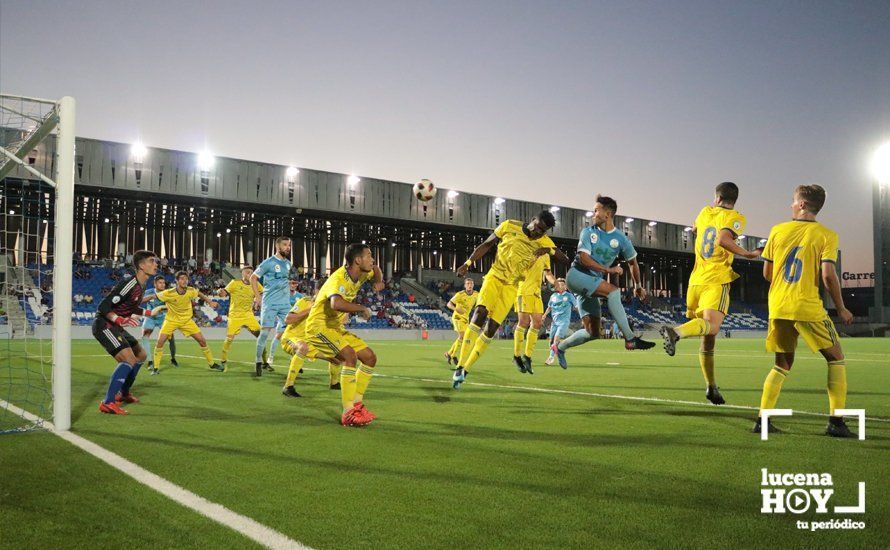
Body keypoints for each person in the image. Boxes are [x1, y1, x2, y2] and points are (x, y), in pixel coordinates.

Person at [753, 185, 855, 437]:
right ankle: (836, 423)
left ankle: (762, 422)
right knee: (836, 358)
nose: (790, 204)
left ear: (802, 205)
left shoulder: (777, 230)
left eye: (793, 201)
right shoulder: (826, 235)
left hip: (778, 306)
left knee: (782, 364)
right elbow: (828, 275)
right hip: (807, 305)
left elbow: (767, 274)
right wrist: (840, 307)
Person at [659, 182, 762, 404]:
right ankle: (676, 332)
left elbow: (696, 229)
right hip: (716, 279)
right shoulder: (736, 217)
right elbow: (723, 239)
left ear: (717, 198)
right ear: (734, 200)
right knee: (713, 327)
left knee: (708, 337)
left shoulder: (705, 211)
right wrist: (748, 254)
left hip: (696, 280)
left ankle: (711, 386)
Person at [452, 211, 565, 390]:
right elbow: (487, 244)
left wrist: (548, 249)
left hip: (512, 287)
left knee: (491, 329)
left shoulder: (543, 240)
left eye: (543, 231)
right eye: (538, 227)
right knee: (480, 313)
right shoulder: (509, 225)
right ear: (533, 220)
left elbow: (563, 258)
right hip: (494, 277)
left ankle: (466, 369)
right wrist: (467, 263)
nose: (538, 233)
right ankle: (459, 366)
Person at [551, 196, 654, 369]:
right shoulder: (588, 232)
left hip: (590, 283)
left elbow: (633, 263)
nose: (593, 214)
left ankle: (560, 347)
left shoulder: (621, 239)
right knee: (613, 291)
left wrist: (637, 286)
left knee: (593, 332)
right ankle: (630, 339)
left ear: (607, 214)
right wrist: (609, 270)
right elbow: (584, 259)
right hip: (576, 276)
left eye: (596, 210)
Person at [302, 243, 384, 426]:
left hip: (335, 327)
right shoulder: (338, 278)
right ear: (357, 260)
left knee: (370, 357)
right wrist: (361, 308)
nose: (372, 259)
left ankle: (357, 404)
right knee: (349, 356)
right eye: (369, 255)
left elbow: (377, 269)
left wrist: (378, 281)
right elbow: (336, 304)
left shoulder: (363, 272)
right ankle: (348, 412)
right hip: (318, 327)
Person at [93, 250, 163, 415]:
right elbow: (103, 307)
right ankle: (108, 402)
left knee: (141, 355)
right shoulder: (129, 283)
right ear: (141, 265)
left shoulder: (142, 284)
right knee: (129, 359)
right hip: (104, 324)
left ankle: (123, 393)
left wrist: (150, 313)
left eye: (155, 261)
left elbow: (132, 307)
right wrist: (119, 319)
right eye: (151, 261)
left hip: (115, 326)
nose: (156, 264)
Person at [151, 271, 222, 373]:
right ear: (177, 281)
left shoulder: (190, 290)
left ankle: (212, 364)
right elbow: (152, 297)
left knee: (202, 340)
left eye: (186, 278)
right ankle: (156, 368)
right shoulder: (169, 293)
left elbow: (199, 293)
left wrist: (210, 301)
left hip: (186, 321)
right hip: (171, 320)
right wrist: (136, 302)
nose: (185, 281)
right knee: (160, 342)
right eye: (182, 278)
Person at [251, 236, 292, 377]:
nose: (288, 247)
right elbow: (253, 278)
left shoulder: (288, 264)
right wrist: (258, 297)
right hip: (269, 303)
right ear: (278, 246)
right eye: (285, 245)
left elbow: (284, 281)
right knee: (264, 334)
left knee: (293, 330)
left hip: (285, 304)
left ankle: (296, 360)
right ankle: (257, 361)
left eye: (289, 245)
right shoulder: (269, 262)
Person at [512, 252, 557, 374]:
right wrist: (533, 257)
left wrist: (555, 282)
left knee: (537, 323)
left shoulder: (545, 255)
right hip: (524, 291)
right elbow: (518, 269)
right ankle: (516, 356)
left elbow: (548, 273)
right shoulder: (524, 249)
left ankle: (527, 356)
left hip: (536, 293)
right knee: (523, 322)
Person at [218, 266, 265, 371]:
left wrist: (257, 302)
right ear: (243, 274)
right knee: (229, 339)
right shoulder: (234, 283)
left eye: (251, 273)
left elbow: (262, 295)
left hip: (248, 315)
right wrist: (219, 292)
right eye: (247, 272)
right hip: (234, 316)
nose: (250, 274)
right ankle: (223, 361)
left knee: (261, 336)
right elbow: (223, 294)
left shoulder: (256, 284)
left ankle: (264, 362)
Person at [141, 276, 177, 373]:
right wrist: (151, 297)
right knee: (145, 336)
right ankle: (149, 361)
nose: (163, 285)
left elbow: (173, 306)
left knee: (171, 338)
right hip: (150, 317)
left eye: (163, 283)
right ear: (155, 284)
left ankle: (173, 358)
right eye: (160, 283)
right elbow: (139, 301)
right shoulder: (149, 292)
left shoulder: (168, 293)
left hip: (163, 317)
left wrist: (161, 307)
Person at [269, 279, 303, 368]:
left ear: (297, 284)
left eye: (295, 283)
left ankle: (293, 358)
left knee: (295, 340)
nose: (293, 285)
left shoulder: (300, 296)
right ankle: (271, 356)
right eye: (291, 283)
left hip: (295, 322)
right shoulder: (282, 294)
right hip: (283, 320)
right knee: (278, 336)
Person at [444, 278, 478, 367]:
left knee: (464, 338)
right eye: (467, 283)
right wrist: (456, 309)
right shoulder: (460, 294)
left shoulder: (476, 294)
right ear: (465, 285)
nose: (469, 285)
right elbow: (448, 304)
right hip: (457, 317)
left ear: (473, 285)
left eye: (471, 283)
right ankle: (453, 355)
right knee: (462, 336)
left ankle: (449, 353)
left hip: (466, 319)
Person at [544, 278, 577, 367]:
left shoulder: (569, 296)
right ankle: (559, 349)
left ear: (565, 287)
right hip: (554, 322)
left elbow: (576, 306)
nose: (560, 286)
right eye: (558, 285)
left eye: (562, 285)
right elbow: (549, 307)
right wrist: (544, 315)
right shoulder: (553, 296)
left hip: (564, 321)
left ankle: (551, 358)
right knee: (551, 341)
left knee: (556, 339)